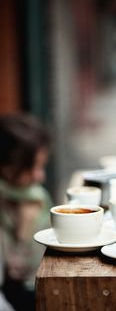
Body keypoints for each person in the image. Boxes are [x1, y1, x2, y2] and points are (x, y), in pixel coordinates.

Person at [0, 114, 53, 311]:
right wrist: (24, 229)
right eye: (31, 168)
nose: (40, 176)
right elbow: (16, 273)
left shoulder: (33, 195)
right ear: (6, 166)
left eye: (41, 165)